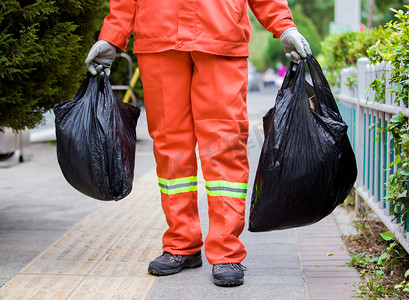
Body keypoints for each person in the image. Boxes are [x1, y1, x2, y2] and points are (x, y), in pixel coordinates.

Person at [85, 0, 311, 287]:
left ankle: (226, 249)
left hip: (219, 34)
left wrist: (283, 25)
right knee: (170, 145)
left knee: (225, 144)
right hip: (160, 35)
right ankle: (182, 242)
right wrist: (111, 35)